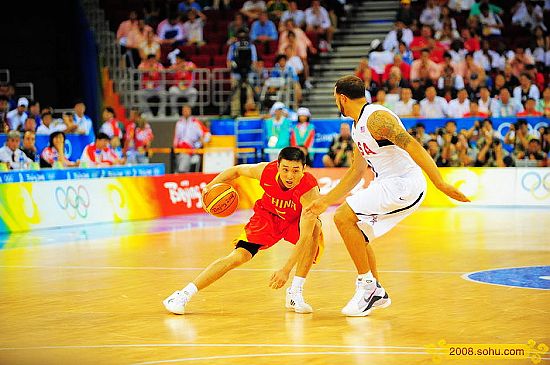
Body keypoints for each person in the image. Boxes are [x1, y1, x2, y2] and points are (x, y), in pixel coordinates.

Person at [306, 75, 469, 317]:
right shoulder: (356, 125)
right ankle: (376, 291)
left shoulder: (376, 118)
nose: (335, 103)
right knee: (356, 230)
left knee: (342, 218)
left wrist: (440, 183)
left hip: (404, 184)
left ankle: (367, 287)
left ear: (342, 98)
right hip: (388, 183)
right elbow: (356, 172)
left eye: (334, 98)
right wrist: (325, 200)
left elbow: (412, 145)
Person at [163, 147, 323, 315]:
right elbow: (236, 170)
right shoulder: (265, 171)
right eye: (285, 169)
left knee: (315, 229)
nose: (290, 176)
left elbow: (304, 236)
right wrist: (209, 187)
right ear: (277, 166)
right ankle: (183, 295)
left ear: (304, 169)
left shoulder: (309, 191)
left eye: (295, 171)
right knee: (238, 257)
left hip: (293, 221)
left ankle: (295, 292)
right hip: (267, 217)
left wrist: (286, 270)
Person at [173, 105, 207, 172]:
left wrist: (198, 145)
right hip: (179, 149)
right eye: (184, 110)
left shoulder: (195, 122)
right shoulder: (179, 123)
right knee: (178, 168)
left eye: (187, 110)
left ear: (190, 111)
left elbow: (206, 135)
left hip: (190, 148)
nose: (185, 112)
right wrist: (174, 148)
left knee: (182, 169)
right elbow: (176, 137)